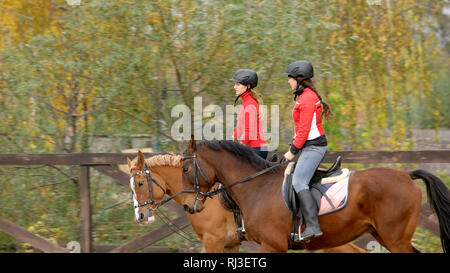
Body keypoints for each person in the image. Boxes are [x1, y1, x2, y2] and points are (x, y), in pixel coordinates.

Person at [283, 60, 333, 242]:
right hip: (307, 145)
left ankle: (312, 225)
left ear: (299, 79)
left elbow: (304, 131)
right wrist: (293, 145)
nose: (288, 82)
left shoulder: (307, 99)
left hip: (314, 147)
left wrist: (293, 151)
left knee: (299, 181)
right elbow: (300, 130)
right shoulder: (305, 96)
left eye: (290, 79)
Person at [230, 69, 268, 159]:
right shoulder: (246, 102)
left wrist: (241, 147)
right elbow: (240, 127)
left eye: (238, 84)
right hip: (254, 148)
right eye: (235, 84)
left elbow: (249, 132)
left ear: (248, 86)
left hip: (257, 149)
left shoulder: (250, 104)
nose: (234, 87)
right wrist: (233, 137)